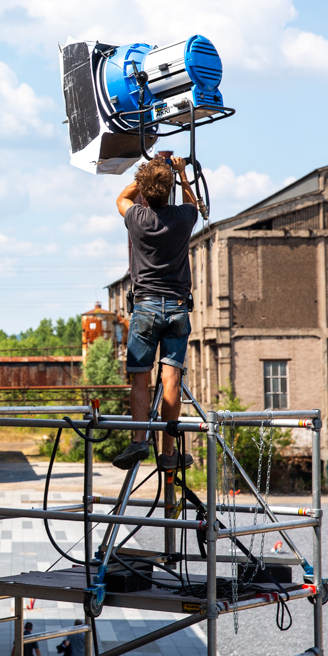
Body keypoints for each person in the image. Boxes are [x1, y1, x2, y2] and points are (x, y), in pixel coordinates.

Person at [111, 156, 200, 473]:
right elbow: (195, 202)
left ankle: (138, 441)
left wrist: (145, 174)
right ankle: (169, 453)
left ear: (146, 194)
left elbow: (121, 197)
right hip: (177, 307)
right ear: (170, 190)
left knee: (140, 377)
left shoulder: (137, 217)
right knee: (171, 377)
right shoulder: (184, 216)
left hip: (145, 307)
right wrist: (180, 172)